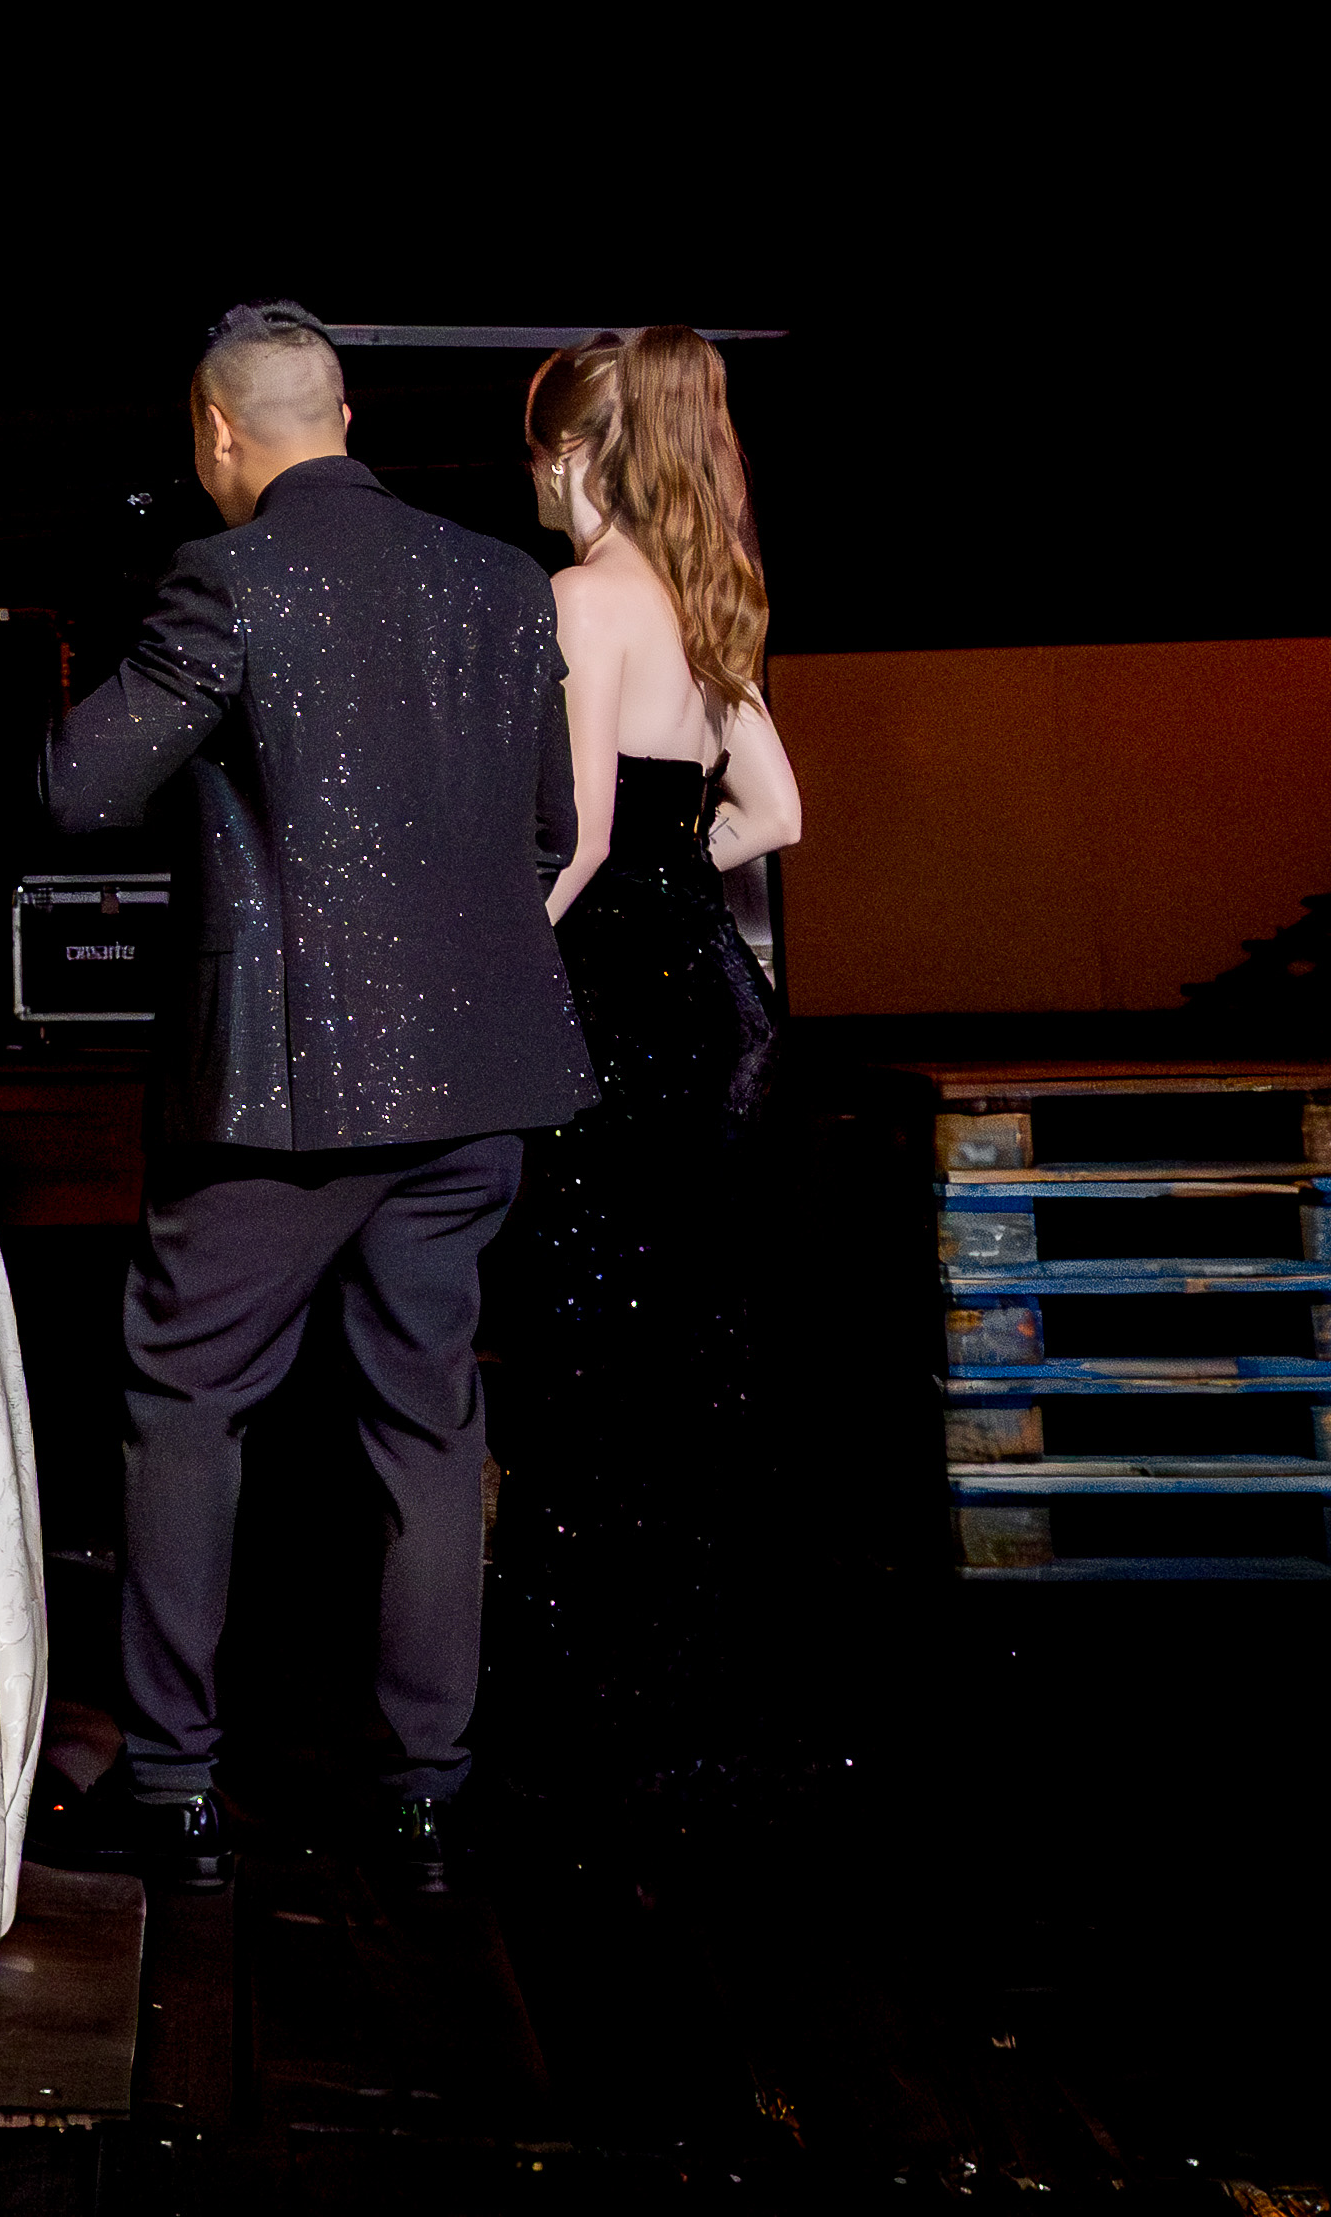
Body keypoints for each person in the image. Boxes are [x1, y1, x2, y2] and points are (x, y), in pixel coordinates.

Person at [39, 301, 589, 1899]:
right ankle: (428, 1800)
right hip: (476, 1081)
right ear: (344, 413)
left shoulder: (228, 578)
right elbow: (550, 831)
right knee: (430, 1417)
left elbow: (78, 788)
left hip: (288, 1092)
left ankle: (175, 1786)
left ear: (217, 433)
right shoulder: (500, 583)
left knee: (185, 1401)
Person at [499, 326, 801, 1791]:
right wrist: (678, 886)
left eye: (533, 456)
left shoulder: (578, 599)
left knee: (584, 1348)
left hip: (614, 1010)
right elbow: (777, 815)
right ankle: (697, 1676)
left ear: (569, 455)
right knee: (693, 1341)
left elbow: (581, 839)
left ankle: (582, 1695)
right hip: (719, 1007)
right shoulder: (703, 598)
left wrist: (486, 972)